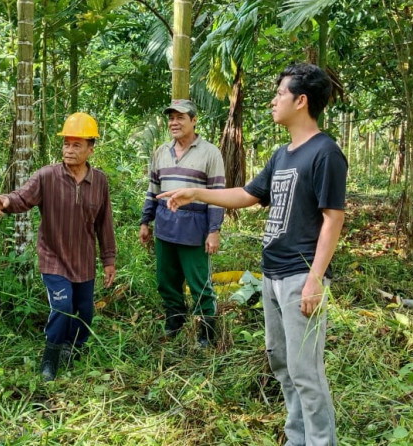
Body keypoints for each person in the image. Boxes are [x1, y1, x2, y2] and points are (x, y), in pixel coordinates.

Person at [158, 63, 346, 446]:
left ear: (302, 100)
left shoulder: (326, 153)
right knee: (281, 362)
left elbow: (333, 218)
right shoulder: (282, 154)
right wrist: (196, 193)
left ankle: (320, 442)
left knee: (305, 370)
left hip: (300, 275)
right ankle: (297, 438)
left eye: (280, 94)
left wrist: (315, 279)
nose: (274, 100)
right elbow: (246, 195)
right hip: (273, 274)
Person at [0, 112, 117, 382]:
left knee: (85, 311)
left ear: (90, 149)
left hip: (83, 259)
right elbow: (22, 197)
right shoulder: (47, 176)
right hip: (53, 256)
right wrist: (5, 200)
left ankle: (74, 349)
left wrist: (108, 260)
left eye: (76, 145)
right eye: (66, 144)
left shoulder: (100, 182)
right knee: (62, 306)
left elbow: (104, 223)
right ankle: (50, 360)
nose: (69, 150)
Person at [139, 99, 225, 348]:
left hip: (194, 230)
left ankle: (207, 333)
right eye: (171, 118)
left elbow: (218, 194)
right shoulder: (161, 151)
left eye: (181, 117)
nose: (174, 123)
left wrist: (214, 231)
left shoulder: (210, 152)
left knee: (200, 284)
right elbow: (153, 189)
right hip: (165, 229)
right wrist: (146, 221)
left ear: (194, 120)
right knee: (166, 280)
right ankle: (174, 323)